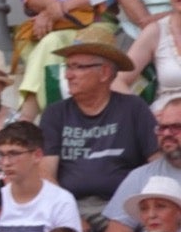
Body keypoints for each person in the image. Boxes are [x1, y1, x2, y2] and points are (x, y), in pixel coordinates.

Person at [41, 23, 158, 211]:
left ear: (104, 72)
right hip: (70, 206)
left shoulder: (134, 108)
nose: (69, 75)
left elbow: (157, 164)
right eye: (67, 67)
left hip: (124, 207)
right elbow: (45, 173)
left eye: (77, 67)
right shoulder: (55, 114)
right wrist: (67, 212)